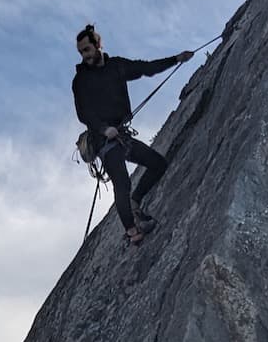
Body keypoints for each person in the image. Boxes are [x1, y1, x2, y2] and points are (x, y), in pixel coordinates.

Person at [72, 24, 193, 245]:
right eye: (81, 52)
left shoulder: (116, 66)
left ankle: (135, 202)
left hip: (120, 134)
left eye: (87, 50)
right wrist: (102, 129)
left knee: (158, 163)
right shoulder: (81, 80)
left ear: (98, 44)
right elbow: (84, 113)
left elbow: (145, 68)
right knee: (121, 182)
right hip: (103, 140)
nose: (84, 56)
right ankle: (131, 231)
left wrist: (176, 59)